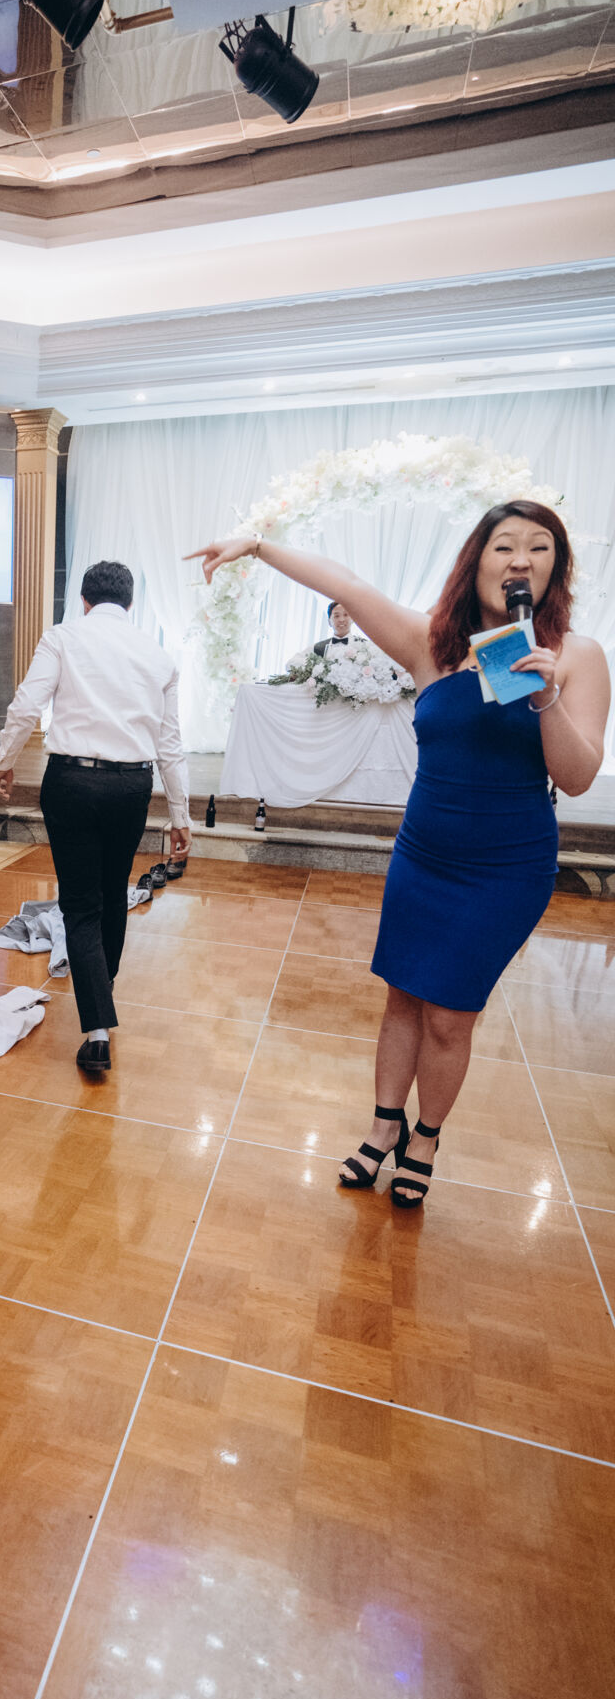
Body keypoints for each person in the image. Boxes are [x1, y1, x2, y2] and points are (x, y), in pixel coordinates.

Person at [190, 500, 610, 1207]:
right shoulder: (433, 646)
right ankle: (385, 1125)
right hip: (425, 853)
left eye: (539, 548)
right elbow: (349, 586)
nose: (520, 560)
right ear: (477, 562)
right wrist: (258, 546)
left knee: (450, 1013)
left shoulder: (578, 655)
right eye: (505, 546)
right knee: (402, 998)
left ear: (555, 568)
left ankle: (426, 1138)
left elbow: (576, 777)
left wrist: (546, 698)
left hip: (507, 866)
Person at [0, 560, 192, 1074]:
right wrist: (181, 814)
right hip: (132, 785)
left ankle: (97, 1030)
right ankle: (103, 987)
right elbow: (170, 743)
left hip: (72, 782)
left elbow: (27, 706)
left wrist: (4, 760)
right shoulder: (158, 655)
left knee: (80, 904)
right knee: (112, 892)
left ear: (83, 600)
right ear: (130, 603)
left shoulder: (63, 637)